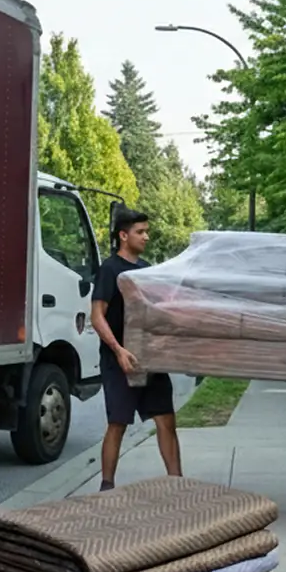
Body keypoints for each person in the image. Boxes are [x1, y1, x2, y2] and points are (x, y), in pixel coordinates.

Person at [90, 205, 182, 490]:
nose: (146, 237)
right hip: (119, 360)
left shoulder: (146, 270)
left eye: (147, 232)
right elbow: (97, 316)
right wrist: (118, 350)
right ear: (123, 235)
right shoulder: (110, 269)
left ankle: (178, 484)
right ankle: (106, 487)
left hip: (150, 358)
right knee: (118, 423)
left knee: (166, 419)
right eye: (140, 232)